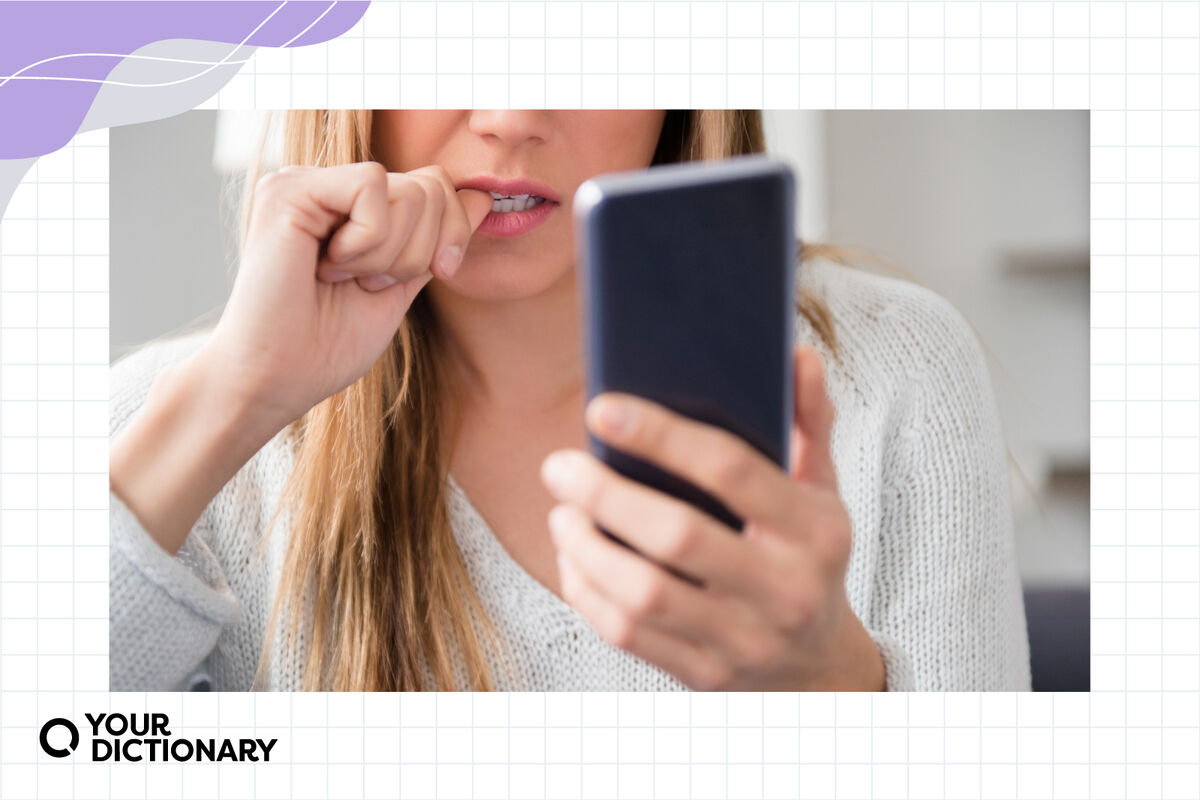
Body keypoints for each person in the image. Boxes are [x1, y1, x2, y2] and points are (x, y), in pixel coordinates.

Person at [109, 110, 1031, 692]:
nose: (511, 119)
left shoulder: (889, 365)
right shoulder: (173, 420)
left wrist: (825, 687)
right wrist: (232, 402)